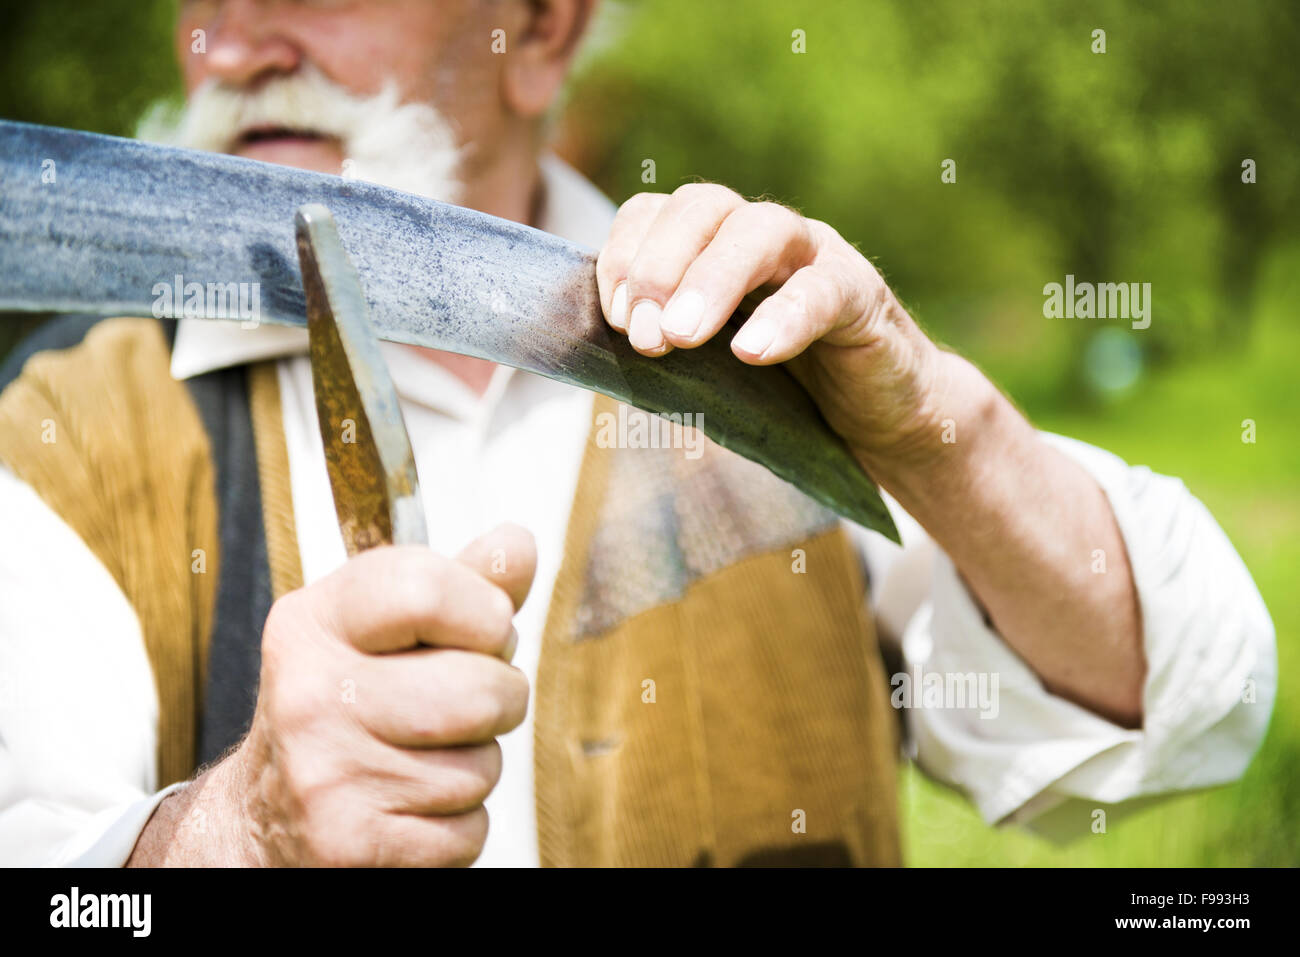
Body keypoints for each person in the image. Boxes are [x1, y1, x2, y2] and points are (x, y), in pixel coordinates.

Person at [0, 0, 1274, 867]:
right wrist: (240, 834)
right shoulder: (66, 432)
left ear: (539, 29)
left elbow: (1187, 705)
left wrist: (940, 437)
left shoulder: (761, 371)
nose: (228, 44)